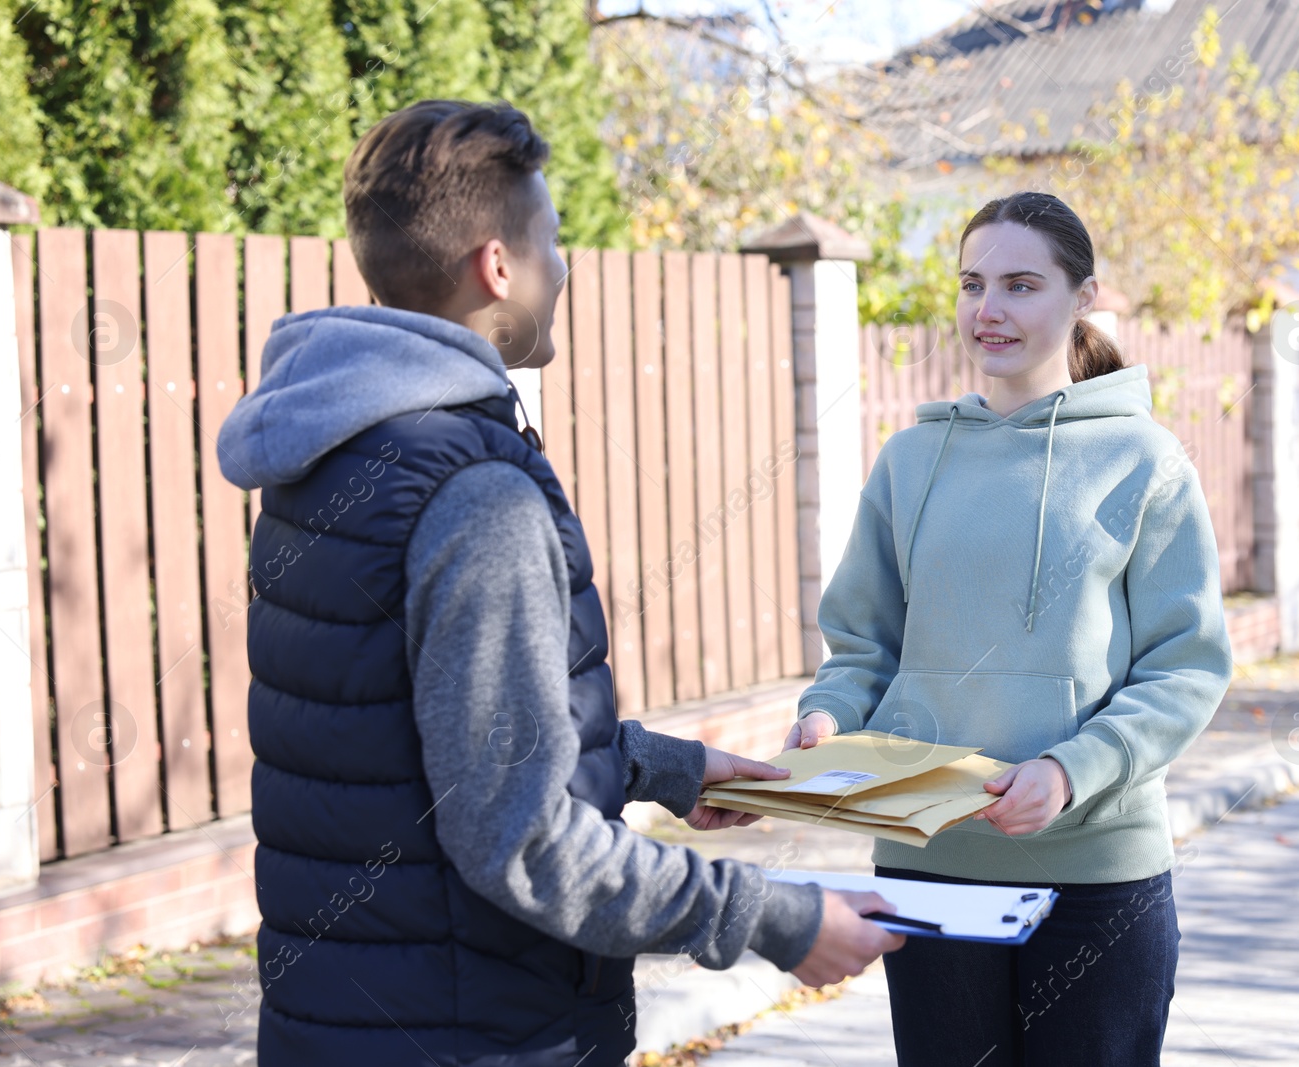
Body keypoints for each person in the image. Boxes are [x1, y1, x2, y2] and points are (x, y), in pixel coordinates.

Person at [216, 99, 903, 1067]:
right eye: (552, 239)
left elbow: (426, 745)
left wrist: (666, 767)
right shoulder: (475, 496)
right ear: (497, 267)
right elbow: (523, 837)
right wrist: (777, 916)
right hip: (481, 1035)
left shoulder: (335, 448)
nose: (567, 265)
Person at [784, 190, 1234, 1066]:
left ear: (1083, 297)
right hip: (930, 869)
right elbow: (863, 646)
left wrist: (1073, 770)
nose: (988, 311)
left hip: (1098, 875)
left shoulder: (1145, 460)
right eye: (971, 284)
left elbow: (1187, 666)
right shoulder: (911, 461)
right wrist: (827, 718)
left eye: (1021, 285)